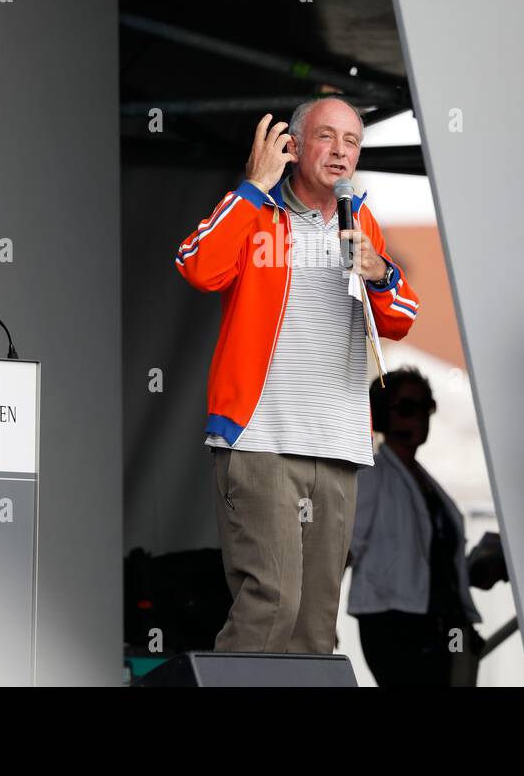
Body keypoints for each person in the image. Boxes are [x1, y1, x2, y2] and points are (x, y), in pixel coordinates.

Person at [174, 97, 420, 654]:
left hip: (338, 444)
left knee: (314, 628)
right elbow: (197, 265)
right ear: (295, 145)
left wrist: (380, 272)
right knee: (271, 604)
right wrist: (252, 187)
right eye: (326, 137)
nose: (340, 151)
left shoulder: (362, 220)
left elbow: (401, 319)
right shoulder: (258, 212)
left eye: (351, 141)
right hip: (261, 439)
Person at [348, 368, 483, 685]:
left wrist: (476, 568)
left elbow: (430, 560)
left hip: (443, 623)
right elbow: (345, 549)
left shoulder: (429, 483)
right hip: (394, 624)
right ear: (383, 416)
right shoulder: (371, 476)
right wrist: (321, 621)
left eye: (427, 407)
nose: (420, 417)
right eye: (408, 408)